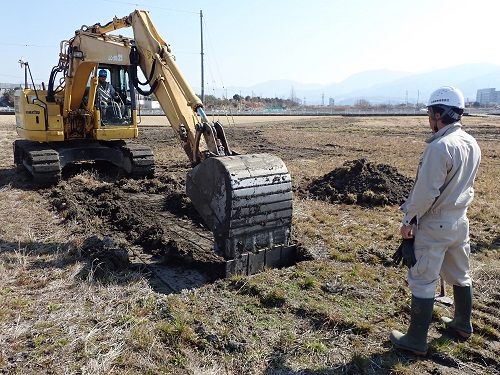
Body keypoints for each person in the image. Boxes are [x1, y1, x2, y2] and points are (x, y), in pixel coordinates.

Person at [389, 86, 481, 356]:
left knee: (422, 280)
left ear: (439, 113)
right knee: (461, 274)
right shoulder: (471, 143)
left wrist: (408, 221)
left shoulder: (439, 148)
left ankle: (416, 339)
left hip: (435, 223)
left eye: (430, 113)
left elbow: (426, 192)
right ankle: (463, 323)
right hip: (459, 221)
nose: (428, 118)